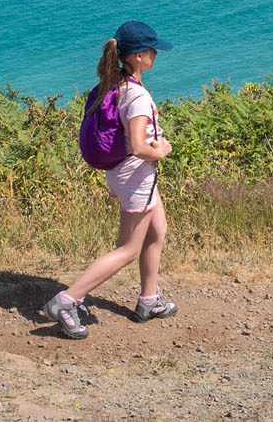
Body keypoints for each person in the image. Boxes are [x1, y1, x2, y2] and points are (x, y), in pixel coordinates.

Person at [43, 20, 180, 338]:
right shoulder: (137, 97)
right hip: (135, 179)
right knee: (128, 249)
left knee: (158, 230)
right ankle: (66, 300)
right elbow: (138, 145)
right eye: (152, 51)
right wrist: (161, 151)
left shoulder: (114, 83)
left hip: (124, 174)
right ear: (137, 57)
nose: (156, 55)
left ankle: (149, 299)